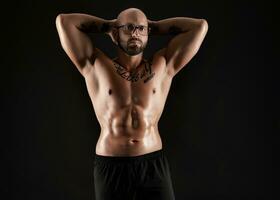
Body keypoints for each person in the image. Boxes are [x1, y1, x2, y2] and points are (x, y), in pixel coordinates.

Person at [55, 7, 208, 200]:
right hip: (111, 166)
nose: (135, 33)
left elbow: (200, 27)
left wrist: (152, 26)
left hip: (153, 165)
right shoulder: (96, 64)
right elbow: (64, 21)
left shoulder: (164, 64)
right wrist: (109, 26)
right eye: (128, 28)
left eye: (140, 29)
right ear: (116, 33)